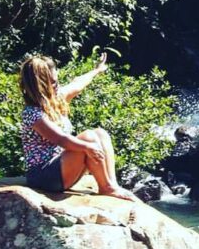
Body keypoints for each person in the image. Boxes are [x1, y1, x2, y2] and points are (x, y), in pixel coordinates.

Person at [19, 53, 135, 201]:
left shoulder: (56, 99)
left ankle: (111, 185)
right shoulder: (32, 113)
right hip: (43, 176)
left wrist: (97, 70)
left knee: (100, 133)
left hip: (61, 167)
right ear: (39, 85)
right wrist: (87, 147)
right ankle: (107, 188)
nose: (57, 86)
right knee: (88, 137)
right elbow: (61, 139)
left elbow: (78, 83)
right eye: (53, 83)